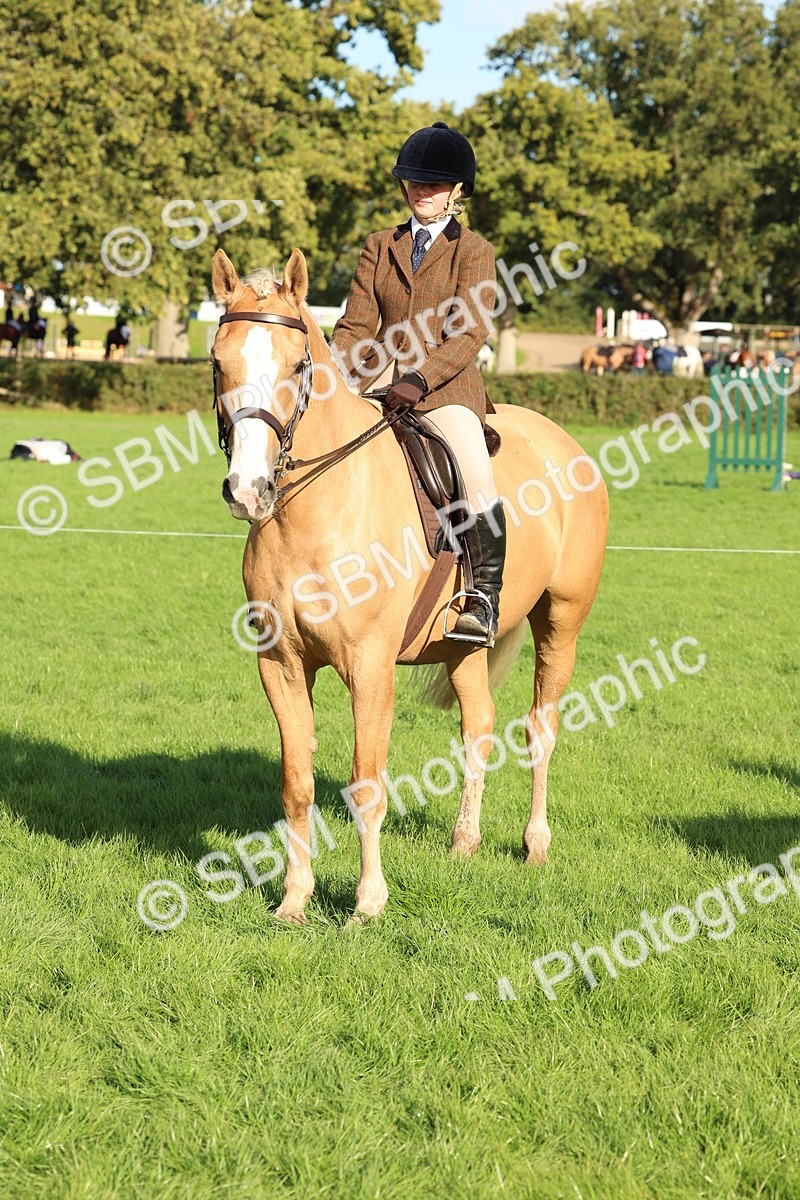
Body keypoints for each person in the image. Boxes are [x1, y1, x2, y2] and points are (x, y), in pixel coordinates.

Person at [330, 121, 505, 647]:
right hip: (380, 378)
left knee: (473, 471)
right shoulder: (379, 245)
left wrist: (419, 378)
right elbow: (356, 325)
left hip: (446, 388)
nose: (421, 192)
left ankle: (481, 598)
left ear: (456, 192)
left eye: (433, 184)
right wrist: (334, 378)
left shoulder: (473, 251)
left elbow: (470, 331)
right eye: (414, 182)